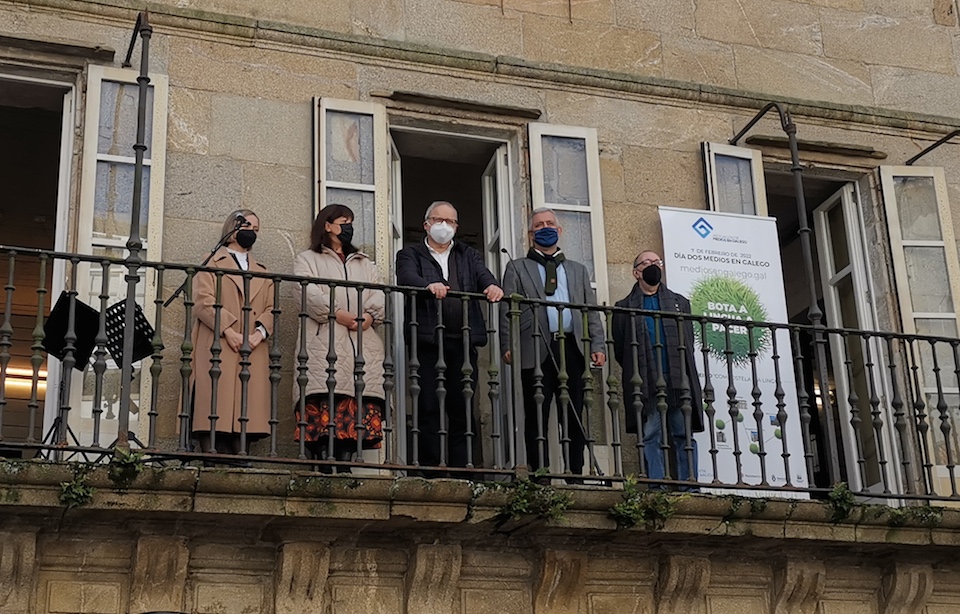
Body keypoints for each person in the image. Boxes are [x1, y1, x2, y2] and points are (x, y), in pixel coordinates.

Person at [396, 200, 503, 473]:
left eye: (450, 222)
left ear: (456, 226)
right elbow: (406, 276)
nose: (444, 226)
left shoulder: (468, 254)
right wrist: (427, 284)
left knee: (463, 405)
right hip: (427, 340)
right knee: (428, 404)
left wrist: (491, 286)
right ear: (426, 224)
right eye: (438, 220)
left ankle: (463, 468)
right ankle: (429, 468)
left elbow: (483, 275)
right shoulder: (410, 253)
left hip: (463, 340)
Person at [501, 207, 606, 477]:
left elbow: (589, 310)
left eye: (550, 224)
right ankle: (540, 475)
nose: (545, 228)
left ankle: (575, 475)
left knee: (573, 414)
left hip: (571, 347)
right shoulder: (516, 266)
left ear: (559, 231)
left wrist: (597, 345)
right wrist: (507, 344)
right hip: (533, 346)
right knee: (536, 414)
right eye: (539, 225)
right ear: (530, 233)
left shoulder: (578, 270)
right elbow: (506, 311)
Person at [293, 204, 386, 471]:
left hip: (361, 343)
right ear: (327, 225)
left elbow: (378, 292)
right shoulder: (307, 259)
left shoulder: (363, 263)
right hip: (325, 340)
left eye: (351, 222)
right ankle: (322, 462)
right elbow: (306, 292)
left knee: (357, 401)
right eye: (344, 221)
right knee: (324, 397)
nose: (349, 227)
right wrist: (337, 314)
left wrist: (369, 315)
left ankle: (345, 461)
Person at [612, 250, 704, 483]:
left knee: (683, 433)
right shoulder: (623, 307)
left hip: (677, 379)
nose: (653, 266)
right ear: (636, 272)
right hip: (645, 381)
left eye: (657, 262)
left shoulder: (679, 303)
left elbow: (688, 343)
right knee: (650, 433)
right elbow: (622, 350)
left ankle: (689, 485)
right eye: (647, 263)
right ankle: (656, 484)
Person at [190, 209, 274, 456]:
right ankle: (212, 451)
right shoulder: (211, 260)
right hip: (218, 340)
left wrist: (259, 333)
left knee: (247, 400)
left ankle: (241, 452)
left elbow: (272, 308)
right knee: (215, 395)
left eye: (256, 229)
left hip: (253, 343)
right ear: (232, 228)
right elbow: (202, 300)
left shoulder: (263, 270)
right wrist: (228, 330)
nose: (252, 232)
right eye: (247, 226)